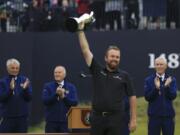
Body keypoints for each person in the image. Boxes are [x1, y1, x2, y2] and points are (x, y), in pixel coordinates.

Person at [77, 22, 137, 135]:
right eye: (112, 56)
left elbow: (132, 97)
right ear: (106, 58)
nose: (115, 59)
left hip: (116, 120)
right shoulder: (97, 70)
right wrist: (80, 31)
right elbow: (85, 50)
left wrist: (133, 119)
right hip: (97, 119)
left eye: (117, 57)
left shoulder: (125, 76)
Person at [144, 56, 177, 135]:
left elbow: (173, 96)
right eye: (157, 64)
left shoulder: (171, 80)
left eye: (161, 64)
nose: (159, 66)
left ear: (166, 66)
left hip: (168, 117)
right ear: (154, 66)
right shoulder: (148, 80)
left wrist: (166, 87)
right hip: (154, 117)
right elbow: (147, 97)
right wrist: (156, 88)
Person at [42, 65, 78, 133]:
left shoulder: (71, 87)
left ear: (64, 74)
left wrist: (64, 97)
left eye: (59, 72)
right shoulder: (47, 86)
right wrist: (56, 94)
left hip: (66, 122)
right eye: (55, 72)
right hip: (51, 122)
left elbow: (75, 103)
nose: (57, 74)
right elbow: (45, 101)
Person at [0, 58, 32, 133]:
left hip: (22, 118)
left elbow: (29, 98)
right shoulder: (2, 82)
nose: (15, 70)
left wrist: (25, 89)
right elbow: (1, 98)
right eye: (12, 68)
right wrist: (10, 90)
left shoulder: (24, 80)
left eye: (17, 68)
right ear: (8, 68)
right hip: (7, 118)